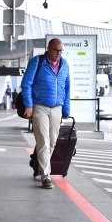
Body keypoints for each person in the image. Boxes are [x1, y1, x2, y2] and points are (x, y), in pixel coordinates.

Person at [21, 38, 70, 189]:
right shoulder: (38, 62)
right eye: (56, 50)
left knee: (52, 141)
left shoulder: (64, 64)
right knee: (43, 140)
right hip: (40, 106)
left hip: (57, 108)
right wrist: (29, 105)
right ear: (48, 49)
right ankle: (46, 175)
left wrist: (66, 109)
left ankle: (37, 162)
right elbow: (26, 84)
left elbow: (67, 88)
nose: (58, 53)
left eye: (61, 51)